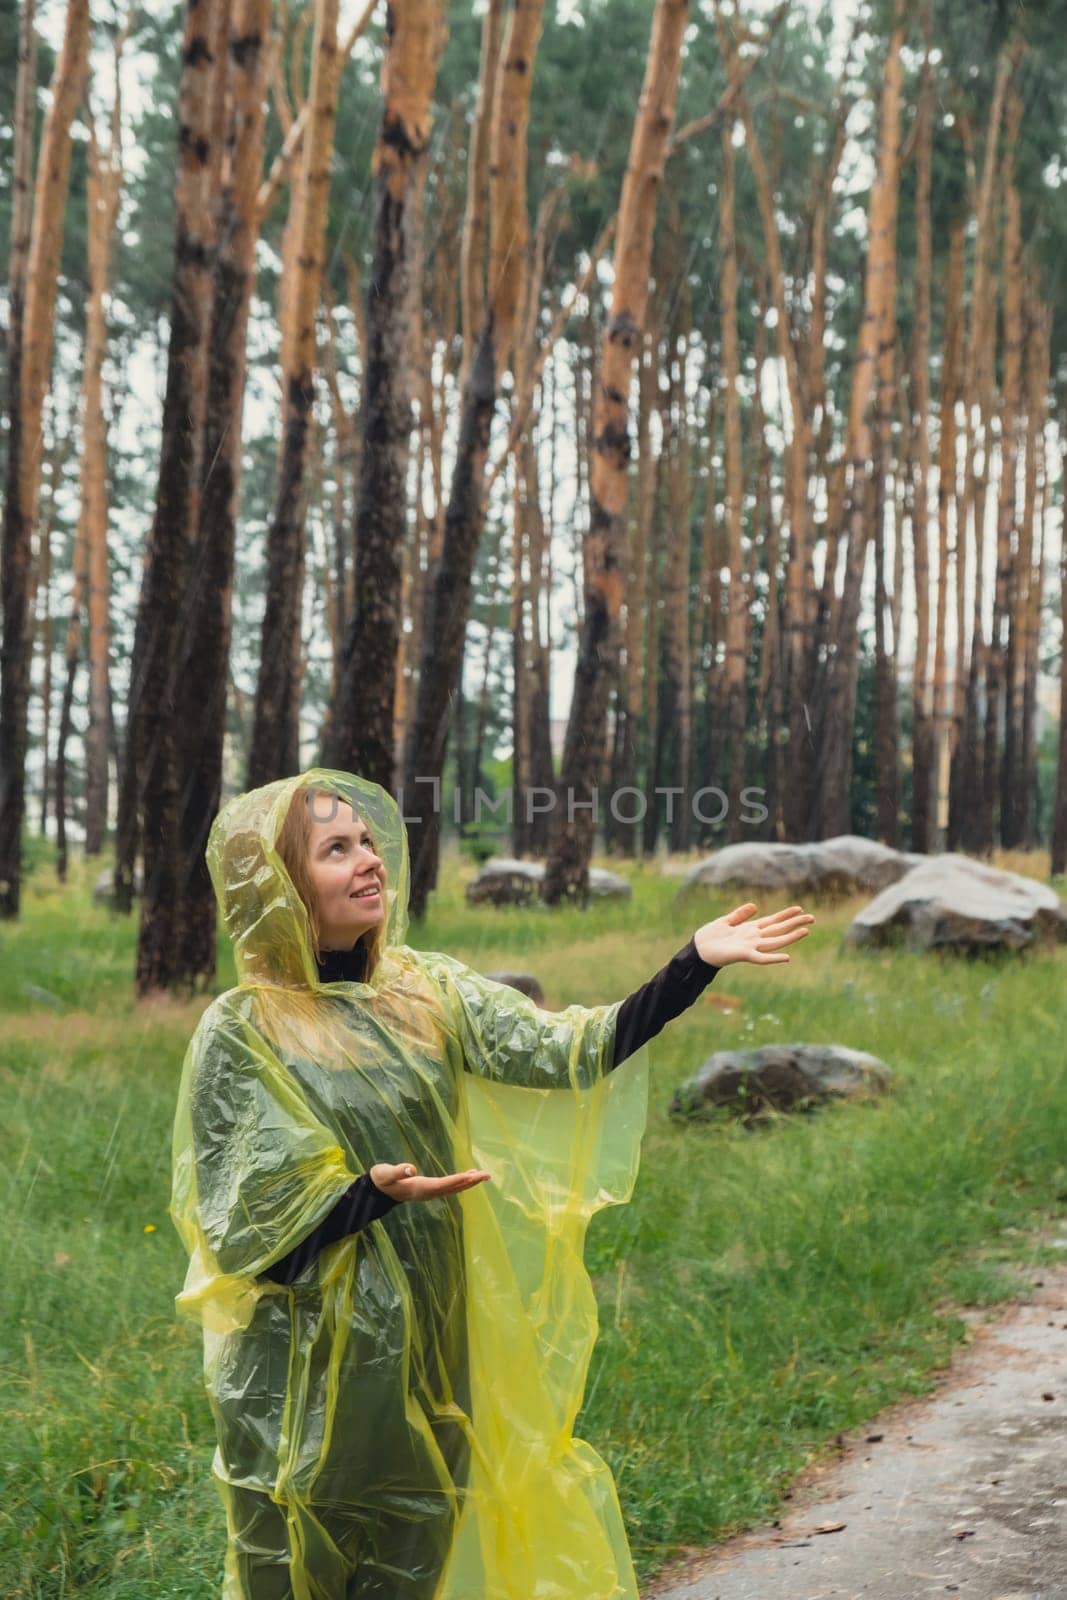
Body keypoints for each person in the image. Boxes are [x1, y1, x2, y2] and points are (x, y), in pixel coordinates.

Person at [169, 768, 813, 1600]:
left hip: (434, 1332)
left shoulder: (423, 989)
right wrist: (364, 1193)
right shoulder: (242, 1028)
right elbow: (238, 1224)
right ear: (280, 885)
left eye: (368, 842)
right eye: (335, 849)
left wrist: (688, 965)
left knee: (417, 1541)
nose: (368, 862)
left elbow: (566, 1052)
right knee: (292, 1555)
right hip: (298, 1364)